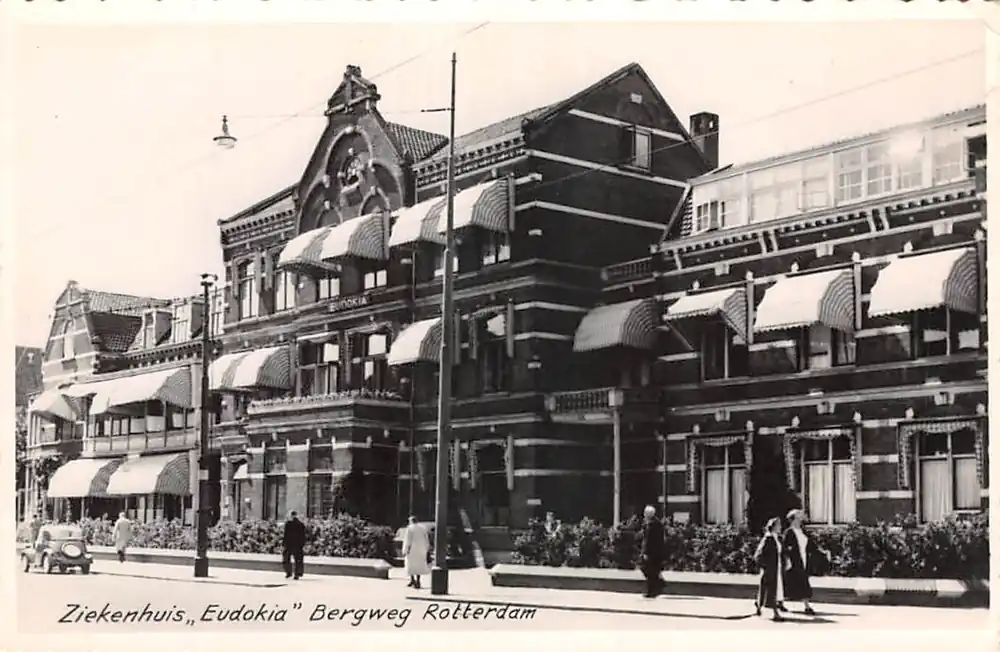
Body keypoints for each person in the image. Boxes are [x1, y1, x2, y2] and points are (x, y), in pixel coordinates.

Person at [781, 509, 829, 616]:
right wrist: (788, 561)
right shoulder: (789, 532)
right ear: (794, 518)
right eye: (799, 515)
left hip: (804, 559)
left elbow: (811, 545)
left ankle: (782, 602)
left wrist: (822, 552)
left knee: (796, 582)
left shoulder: (802, 531)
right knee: (798, 582)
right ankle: (806, 606)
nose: (802, 516)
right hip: (794, 561)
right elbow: (785, 548)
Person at [753, 517, 785, 621]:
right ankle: (775, 613)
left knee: (767, 589)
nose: (780, 527)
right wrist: (765, 566)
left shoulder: (777, 538)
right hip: (770, 568)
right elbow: (759, 554)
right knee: (771, 589)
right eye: (779, 525)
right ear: (774, 526)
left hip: (776, 567)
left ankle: (759, 605)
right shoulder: (768, 538)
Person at [639, 505, 665, 599]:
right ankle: (657, 586)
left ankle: (653, 590)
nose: (644, 515)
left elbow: (650, 540)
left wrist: (646, 552)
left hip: (652, 552)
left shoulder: (653, 525)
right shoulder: (651, 523)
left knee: (649, 570)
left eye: (645, 513)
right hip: (654, 552)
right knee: (650, 570)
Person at [402, 516, 431, 589]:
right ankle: (418, 580)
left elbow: (408, 540)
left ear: (411, 521)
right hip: (421, 549)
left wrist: (405, 549)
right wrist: (426, 548)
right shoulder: (423, 528)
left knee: (410, 564)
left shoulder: (410, 528)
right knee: (419, 565)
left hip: (412, 549)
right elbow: (426, 538)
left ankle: (412, 580)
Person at [282, 511, 306, 579]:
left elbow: (285, 535)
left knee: (286, 558)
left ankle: (289, 572)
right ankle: (297, 574)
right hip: (297, 545)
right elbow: (303, 535)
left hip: (289, 544)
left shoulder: (288, 524)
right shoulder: (300, 524)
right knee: (298, 560)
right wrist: (302, 544)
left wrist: (284, 543)